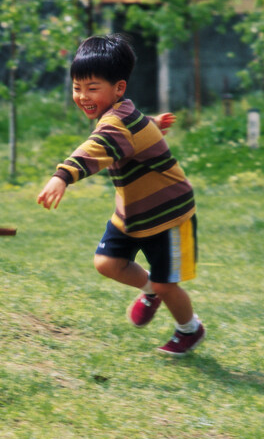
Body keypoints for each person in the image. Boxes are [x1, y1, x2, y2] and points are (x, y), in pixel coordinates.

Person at [37, 34, 205, 356]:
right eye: (77, 88)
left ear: (119, 89)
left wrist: (63, 176)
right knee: (107, 262)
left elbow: (96, 148)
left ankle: (190, 329)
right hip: (132, 213)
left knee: (167, 283)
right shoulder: (120, 115)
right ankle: (150, 291)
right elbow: (129, 131)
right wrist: (152, 124)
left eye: (92, 88)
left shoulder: (116, 122)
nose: (83, 96)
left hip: (168, 215)